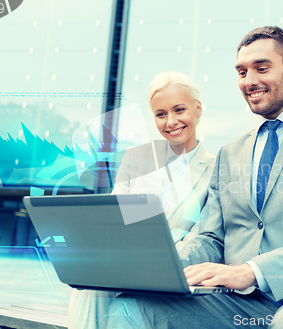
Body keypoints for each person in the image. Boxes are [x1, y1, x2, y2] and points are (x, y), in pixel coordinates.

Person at [106, 26, 283, 329]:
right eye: (242, 72)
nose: (250, 81)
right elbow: (210, 237)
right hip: (241, 301)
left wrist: (252, 270)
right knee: (129, 307)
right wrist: (154, 266)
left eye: (262, 68)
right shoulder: (229, 154)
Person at [67, 71, 215, 328]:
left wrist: (155, 264)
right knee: (90, 285)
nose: (171, 121)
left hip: (176, 272)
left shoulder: (217, 169)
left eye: (179, 110)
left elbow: (204, 237)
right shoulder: (136, 159)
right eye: (160, 114)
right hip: (126, 264)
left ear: (198, 108)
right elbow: (115, 220)